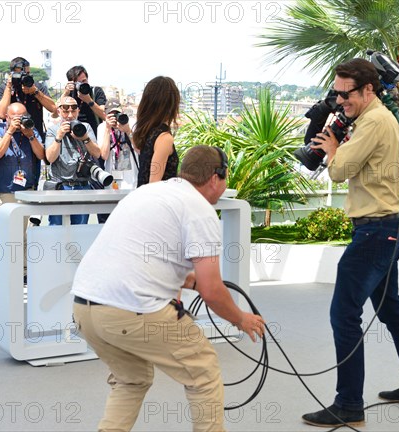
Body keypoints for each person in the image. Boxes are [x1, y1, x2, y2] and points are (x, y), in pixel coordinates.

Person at [71, 145, 265, 432]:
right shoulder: (201, 211)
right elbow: (212, 290)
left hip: (84, 307)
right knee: (203, 371)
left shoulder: (149, 193)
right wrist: (241, 318)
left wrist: (187, 281)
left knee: (131, 379)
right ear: (216, 177)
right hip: (132, 310)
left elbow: (141, 257)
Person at [301, 58, 399, 428]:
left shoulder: (374, 121)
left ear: (369, 90)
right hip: (386, 228)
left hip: (375, 232)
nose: (340, 101)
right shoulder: (374, 119)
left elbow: (340, 172)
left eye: (347, 94)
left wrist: (331, 146)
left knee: (343, 314)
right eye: (337, 94)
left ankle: (348, 405)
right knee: (392, 311)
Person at [44, 96, 101, 226]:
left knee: (80, 227)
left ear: (78, 111)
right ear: (59, 111)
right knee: (56, 227)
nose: (70, 115)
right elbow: (50, 158)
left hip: (82, 185)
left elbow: (97, 153)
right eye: (65, 111)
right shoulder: (53, 130)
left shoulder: (85, 127)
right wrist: (59, 137)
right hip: (60, 185)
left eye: (73, 111)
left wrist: (85, 138)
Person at [0, 102, 45, 219]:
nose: (19, 121)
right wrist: (10, 131)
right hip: (6, 190)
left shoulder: (32, 130)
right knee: (6, 231)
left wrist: (30, 136)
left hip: (27, 189)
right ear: (7, 117)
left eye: (23, 117)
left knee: (25, 233)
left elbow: (40, 155)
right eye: (15, 118)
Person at [0, 57, 56, 142]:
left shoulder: (37, 87)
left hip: (35, 136)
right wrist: (9, 87)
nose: (24, 76)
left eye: (27, 73)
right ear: (12, 74)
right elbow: (1, 114)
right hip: (12, 138)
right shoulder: (3, 88)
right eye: (20, 74)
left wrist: (36, 92)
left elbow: (53, 108)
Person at [133, 76, 180, 186]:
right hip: (158, 200)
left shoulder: (145, 133)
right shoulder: (164, 138)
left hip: (143, 198)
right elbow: (154, 185)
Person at [97, 98, 138, 190]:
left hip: (131, 178)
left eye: (117, 114)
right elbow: (104, 155)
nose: (115, 118)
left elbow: (138, 149)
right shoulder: (102, 127)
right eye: (111, 115)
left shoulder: (132, 124)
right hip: (112, 177)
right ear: (105, 115)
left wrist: (128, 131)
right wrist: (107, 129)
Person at [62, 65, 106, 136]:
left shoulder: (96, 91)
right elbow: (55, 113)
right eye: (78, 83)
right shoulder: (70, 94)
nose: (82, 85)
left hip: (94, 135)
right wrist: (65, 93)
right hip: (74, 136)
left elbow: (104, 115)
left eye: (84, 81)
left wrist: (89, 101)